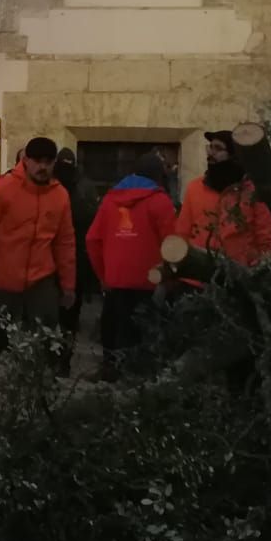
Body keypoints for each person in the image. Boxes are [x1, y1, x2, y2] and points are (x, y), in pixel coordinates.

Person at [0, 136, 76, 396]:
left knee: (48, 335)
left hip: (41, 278)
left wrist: (68, 284)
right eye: (37, 161)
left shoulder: (60, 196)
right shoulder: (1, 191)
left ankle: (42, 392)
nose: (43, 167)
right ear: (25, 160)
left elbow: (65, 242)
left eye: (48, 162)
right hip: (2, 279)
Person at [85, 153, 176, 379]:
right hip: (149, 281)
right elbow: (173, 243)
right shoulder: (160, 201)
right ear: (158, 176)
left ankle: (110, 368)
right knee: (140, 334)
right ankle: (137, 378)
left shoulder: (110, 199)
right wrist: (171, 277)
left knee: (113, 326)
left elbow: (92, 240)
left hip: (115, 279)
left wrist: (103, 275)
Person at [176, 131, 271, 266]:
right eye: (210, 147)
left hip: (239, 276)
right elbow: (182, 232)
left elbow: (267, 238)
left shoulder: (253, 193)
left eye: (218, 148)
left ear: (234, 155)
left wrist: (261, 271)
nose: (211, 153)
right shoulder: (195, 188)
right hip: (198, 275)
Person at [53, 147, 98, 375]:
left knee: (67, 315)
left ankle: (62, 360)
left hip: (74, 258)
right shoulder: (53, 187)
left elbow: (91, 224)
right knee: (55, 314)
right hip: (53, 259)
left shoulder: (81, 188)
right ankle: (56, 359)